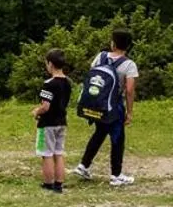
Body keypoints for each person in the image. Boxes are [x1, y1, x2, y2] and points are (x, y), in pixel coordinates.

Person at [73, 29, 137, 187]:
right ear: (128, 46)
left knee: (99, 133)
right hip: (114, 107)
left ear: (113, 43)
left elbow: (92, 76)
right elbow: (129, 90)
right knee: (118, 139)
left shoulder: (100, 57)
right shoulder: (129, 65)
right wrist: (129, 112)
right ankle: (116, 175)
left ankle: (84, 165)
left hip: (98, 104)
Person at [34, 48, 71, 193]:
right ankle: (59, 183)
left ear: (50, 64)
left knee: (46, 154)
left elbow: (45, 106)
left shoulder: (48, 84)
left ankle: (48, 183)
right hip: (62, 122)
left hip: (47, 124)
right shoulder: (67, 82)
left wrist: (36, 111)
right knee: (58, 152)